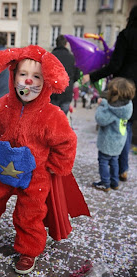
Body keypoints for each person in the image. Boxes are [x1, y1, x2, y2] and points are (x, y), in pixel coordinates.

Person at [0, 45, 90, 275]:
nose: (29, 81)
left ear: (46, 82)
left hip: (36, 175)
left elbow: (66, 141)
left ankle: (29, 249)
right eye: (23, 74)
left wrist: (56, 166)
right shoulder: (4, 104)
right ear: (13, 76)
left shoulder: (52, 115)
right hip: (4, 165)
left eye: (37, 76)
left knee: (30, 212)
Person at [83, 5, 137, 182]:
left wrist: (93, 76)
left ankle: (115, 165)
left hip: (123, 87)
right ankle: (123, 169)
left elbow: (114, 65)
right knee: (127, 125)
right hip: (135, 91)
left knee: (119, 125)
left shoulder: (126, 35)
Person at [92, 77, 135, 192]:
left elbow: (100, 119)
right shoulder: (126, 107)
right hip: (119, 142)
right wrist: (105, 103)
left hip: (108, 142)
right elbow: (111, 107)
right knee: (114, 161)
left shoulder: (112, 112)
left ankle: (105, 183)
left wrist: (101, 106)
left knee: (103, 161)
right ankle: (114, 182)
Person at [50, 35, 80, 114]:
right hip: (67, 92)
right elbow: (77, 75)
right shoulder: (72, 58)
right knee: (62, 119)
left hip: (53, 93)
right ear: (66, 44)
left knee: (52, 118)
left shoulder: (50, 57)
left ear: (56, 43)